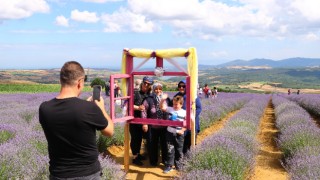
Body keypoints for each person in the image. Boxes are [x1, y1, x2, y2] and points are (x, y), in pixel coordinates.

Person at [39, 61, 114, 179]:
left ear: (61, 81)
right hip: (87, 174)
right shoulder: (89, 108)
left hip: (58, 174)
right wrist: (101, 109)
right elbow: (109, 132)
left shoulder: (44, 109)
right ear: (79, 82)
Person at [141, 83, 170, 166]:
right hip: (152, 126)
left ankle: (165, 161)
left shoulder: (166, 99)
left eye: (160, 89)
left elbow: (171, 109)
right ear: (153, 90)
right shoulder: (149, 99)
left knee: (165, 144)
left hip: (164, 126)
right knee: (152, 144)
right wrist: (144, 123)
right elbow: (144, 111)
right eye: (156, 89)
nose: (158, 91)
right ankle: (153, 161)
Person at [171, 80, 202, 154]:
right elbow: (173, 108)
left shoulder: (193, 96)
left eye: (183, 86)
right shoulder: (176, 96)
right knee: (181, 144)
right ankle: (181, 161)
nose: (181, 88)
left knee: (190, 143)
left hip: (191, 124)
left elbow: (199, 108)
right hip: (181, 124)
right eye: (179, 86)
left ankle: (189, 161)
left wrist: (190, 117)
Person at [131, 76, 153, 166]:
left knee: (141, 139)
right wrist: (138, 107)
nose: (146, 85)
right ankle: (135, 158)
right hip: (134, 121)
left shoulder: (149, 94)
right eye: (145, 83)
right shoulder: (135, 93)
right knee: (135, 139)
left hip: (144, 121)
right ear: (142, 83)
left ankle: (139, 154)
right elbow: (128, 105)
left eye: (148, 84)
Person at [160, 95, 186, 173]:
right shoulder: (170, 109)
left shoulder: (184, 112)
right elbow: (162, 107)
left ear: (181, 104)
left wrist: (182, 130)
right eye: (174, 104)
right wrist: (162, 99)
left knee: (179, 150)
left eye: (176, 104)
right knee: (170, 150)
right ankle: (169, 166)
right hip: (169, 133)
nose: (174, 106)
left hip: (179, 135)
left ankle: (178, 166)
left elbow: (187, 123)